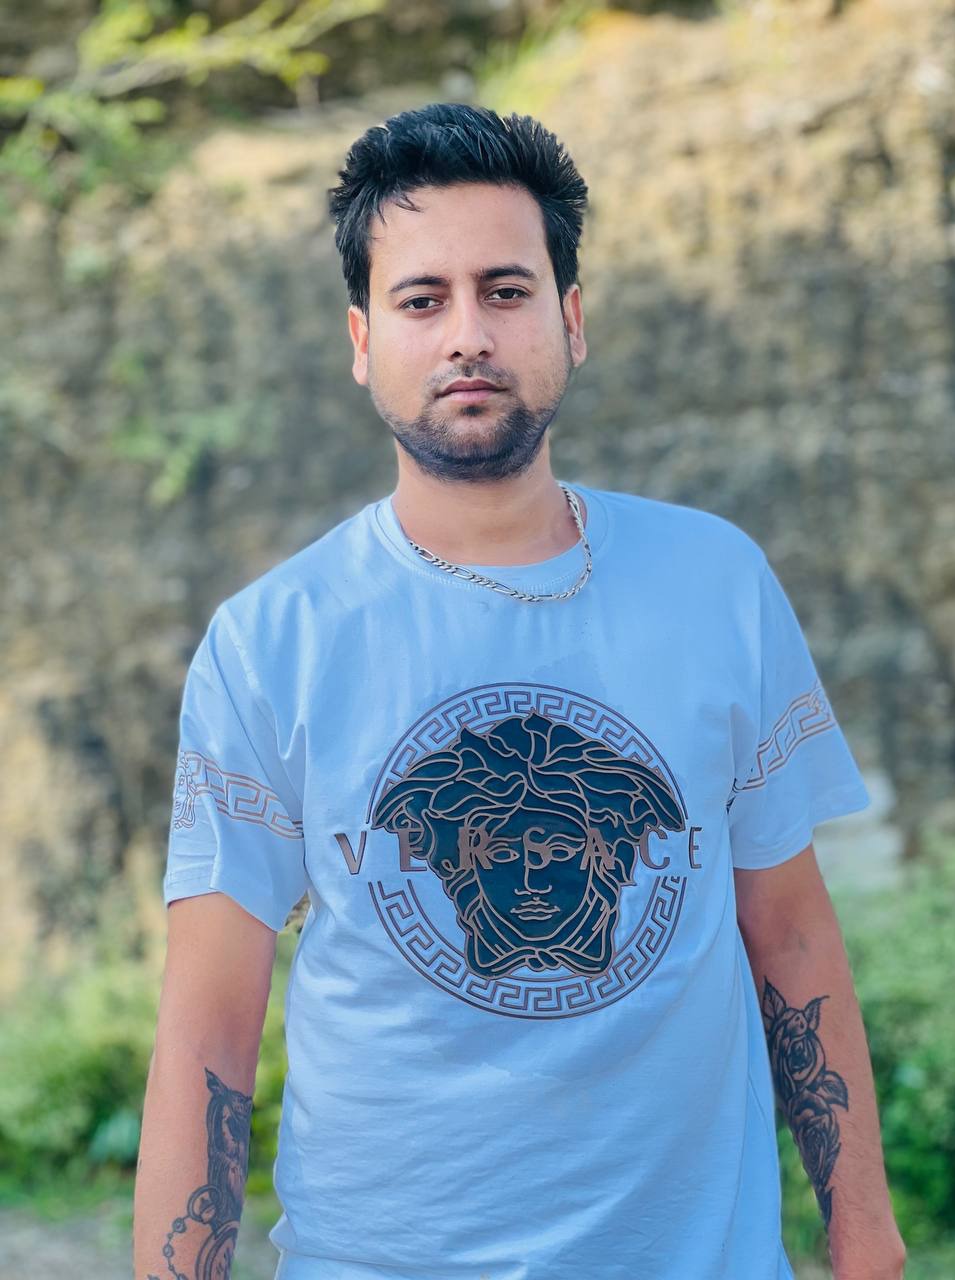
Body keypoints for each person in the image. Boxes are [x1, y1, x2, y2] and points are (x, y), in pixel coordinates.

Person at [133, 103, 907, 1280]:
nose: (467, 335)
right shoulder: (271, 642)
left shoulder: (717, 582)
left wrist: (867, 1239)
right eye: (421, 299)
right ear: (361, 340)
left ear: (571, 319)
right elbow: (207, 1024)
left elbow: (791, 930)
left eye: (506, 290)